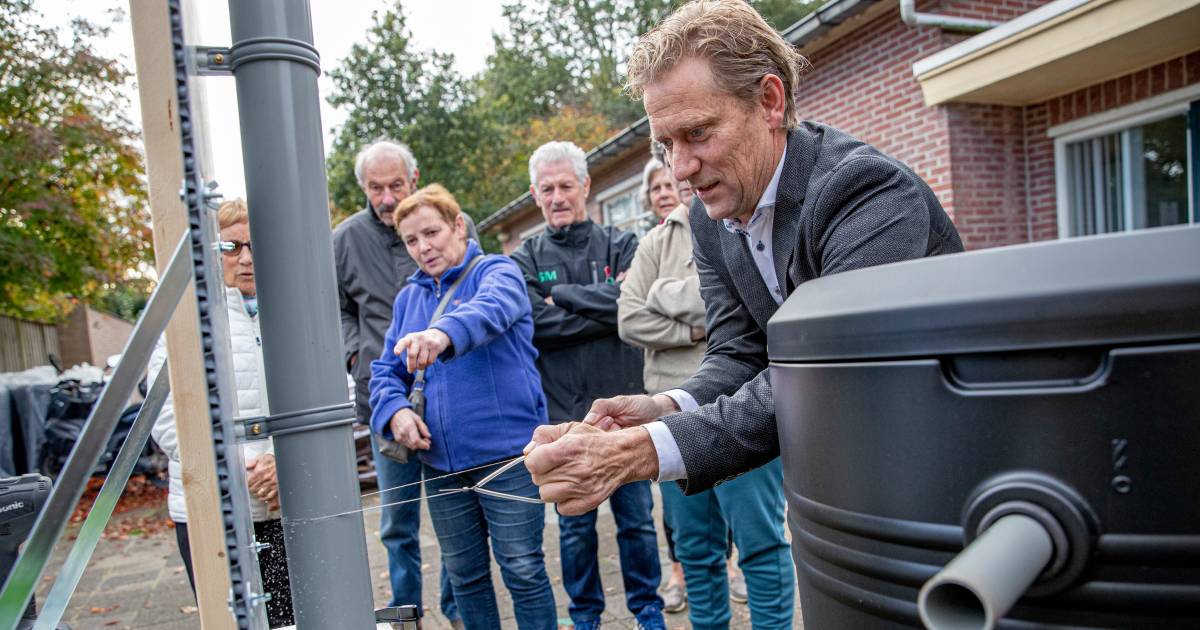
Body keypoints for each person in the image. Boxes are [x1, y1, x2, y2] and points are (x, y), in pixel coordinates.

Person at [525, 0, 963, 529]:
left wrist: (640, 453)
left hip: (938, 476)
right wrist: (668, 407)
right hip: (835, 485)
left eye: (697, 133)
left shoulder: (866, 194)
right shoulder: (711, 217)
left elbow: (830, 375)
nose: (681, 168)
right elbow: (738, 352)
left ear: (770, 101)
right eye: (666, 145)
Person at [367, 184, 556, 629]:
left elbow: (494, 308)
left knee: (524, 571)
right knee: (465, 578)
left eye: (431, 232)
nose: (423, 247)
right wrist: (395, 412)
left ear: (457, 226)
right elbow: (384, 371)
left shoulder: (497, 270)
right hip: (442, 466)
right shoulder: (408, 299)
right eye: (411, 240)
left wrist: (441, 335)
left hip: (507, 457)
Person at [620, 157, 794, 629]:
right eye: (660, 177)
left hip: (746, 402)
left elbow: (741, 310)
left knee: (760, 540)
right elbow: (630, 317)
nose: (678, 176)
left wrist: (669, 298)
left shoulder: (742, 221)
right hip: (674, 413)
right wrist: (706, 324)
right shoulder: (656, 241)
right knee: (695, 547)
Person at [510, 142, 666, 630]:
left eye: (566, 185)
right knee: (575, 529)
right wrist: (603, 312)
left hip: (622, 413)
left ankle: (647, 611)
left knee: (637, 523)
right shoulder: (525, 257)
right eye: (547, 188)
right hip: (562, 418)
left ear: (585, 186)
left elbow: (630, 305)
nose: (558, 196)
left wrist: (560, 296)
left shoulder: (622, 244)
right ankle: (585, 618)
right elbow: (535, 325)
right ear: (536, 194)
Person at [333, 140, 476, 623]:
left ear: (413, 180)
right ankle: (404, 615)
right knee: (398, 522)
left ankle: (456, 609)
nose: (388, 197)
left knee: (455, 514)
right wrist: (356, 352)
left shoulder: (446, 222)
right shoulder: (344, 240)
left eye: (396, 185)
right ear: (363, 189)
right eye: (376, 188)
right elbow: (337, 309)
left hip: (447, 393)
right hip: (383, 394)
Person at [149, 198, 294, 628]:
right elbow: (167, 420)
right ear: (211, 251)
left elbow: (329, 396)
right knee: (234, 622)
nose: (246, 259)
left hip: (285, 503)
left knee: (292, 618)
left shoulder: (297, 315)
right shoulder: (184, 321)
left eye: (254, 246)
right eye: (231, 248)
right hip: (214, 512)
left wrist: (283, 463)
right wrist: (244, 468)